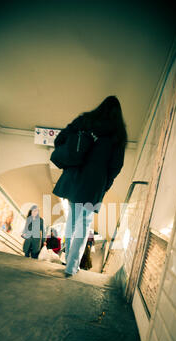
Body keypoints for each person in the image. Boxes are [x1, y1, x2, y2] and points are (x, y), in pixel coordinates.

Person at [52, 96, 127, 277]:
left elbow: (60, 139)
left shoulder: (85, 121)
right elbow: (116, 166)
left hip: (74, 178)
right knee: (84, 224)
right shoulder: (118, 134)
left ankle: (67, 259)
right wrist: (105, 185)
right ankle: (72, 266)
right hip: (94, 184)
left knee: (71, 220)